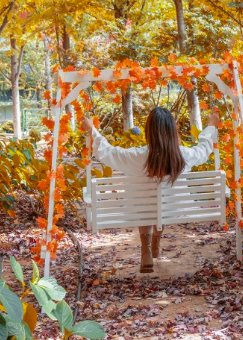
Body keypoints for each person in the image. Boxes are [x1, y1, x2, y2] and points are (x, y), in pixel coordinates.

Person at [80, 106, 221, 273]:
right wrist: (211, 126)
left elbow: (108, 152)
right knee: (163, 205)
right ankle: (156, 238)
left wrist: (92, 129)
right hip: (173, 211)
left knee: (144, 204)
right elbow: (204, 150)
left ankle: (146, 248)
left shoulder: (136, 156)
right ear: (172, 131)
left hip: (141, 210)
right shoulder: (183, 155)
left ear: (148, 131)